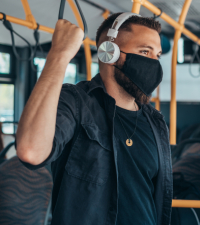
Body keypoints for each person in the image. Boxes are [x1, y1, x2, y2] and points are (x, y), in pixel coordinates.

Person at [16, 13, 172, 225]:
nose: (154, 64)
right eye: (145, 51)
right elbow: (31, 150)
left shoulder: (156, 122)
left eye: (157, 56)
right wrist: (59, 55)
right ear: (109, 53)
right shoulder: (77, 103)